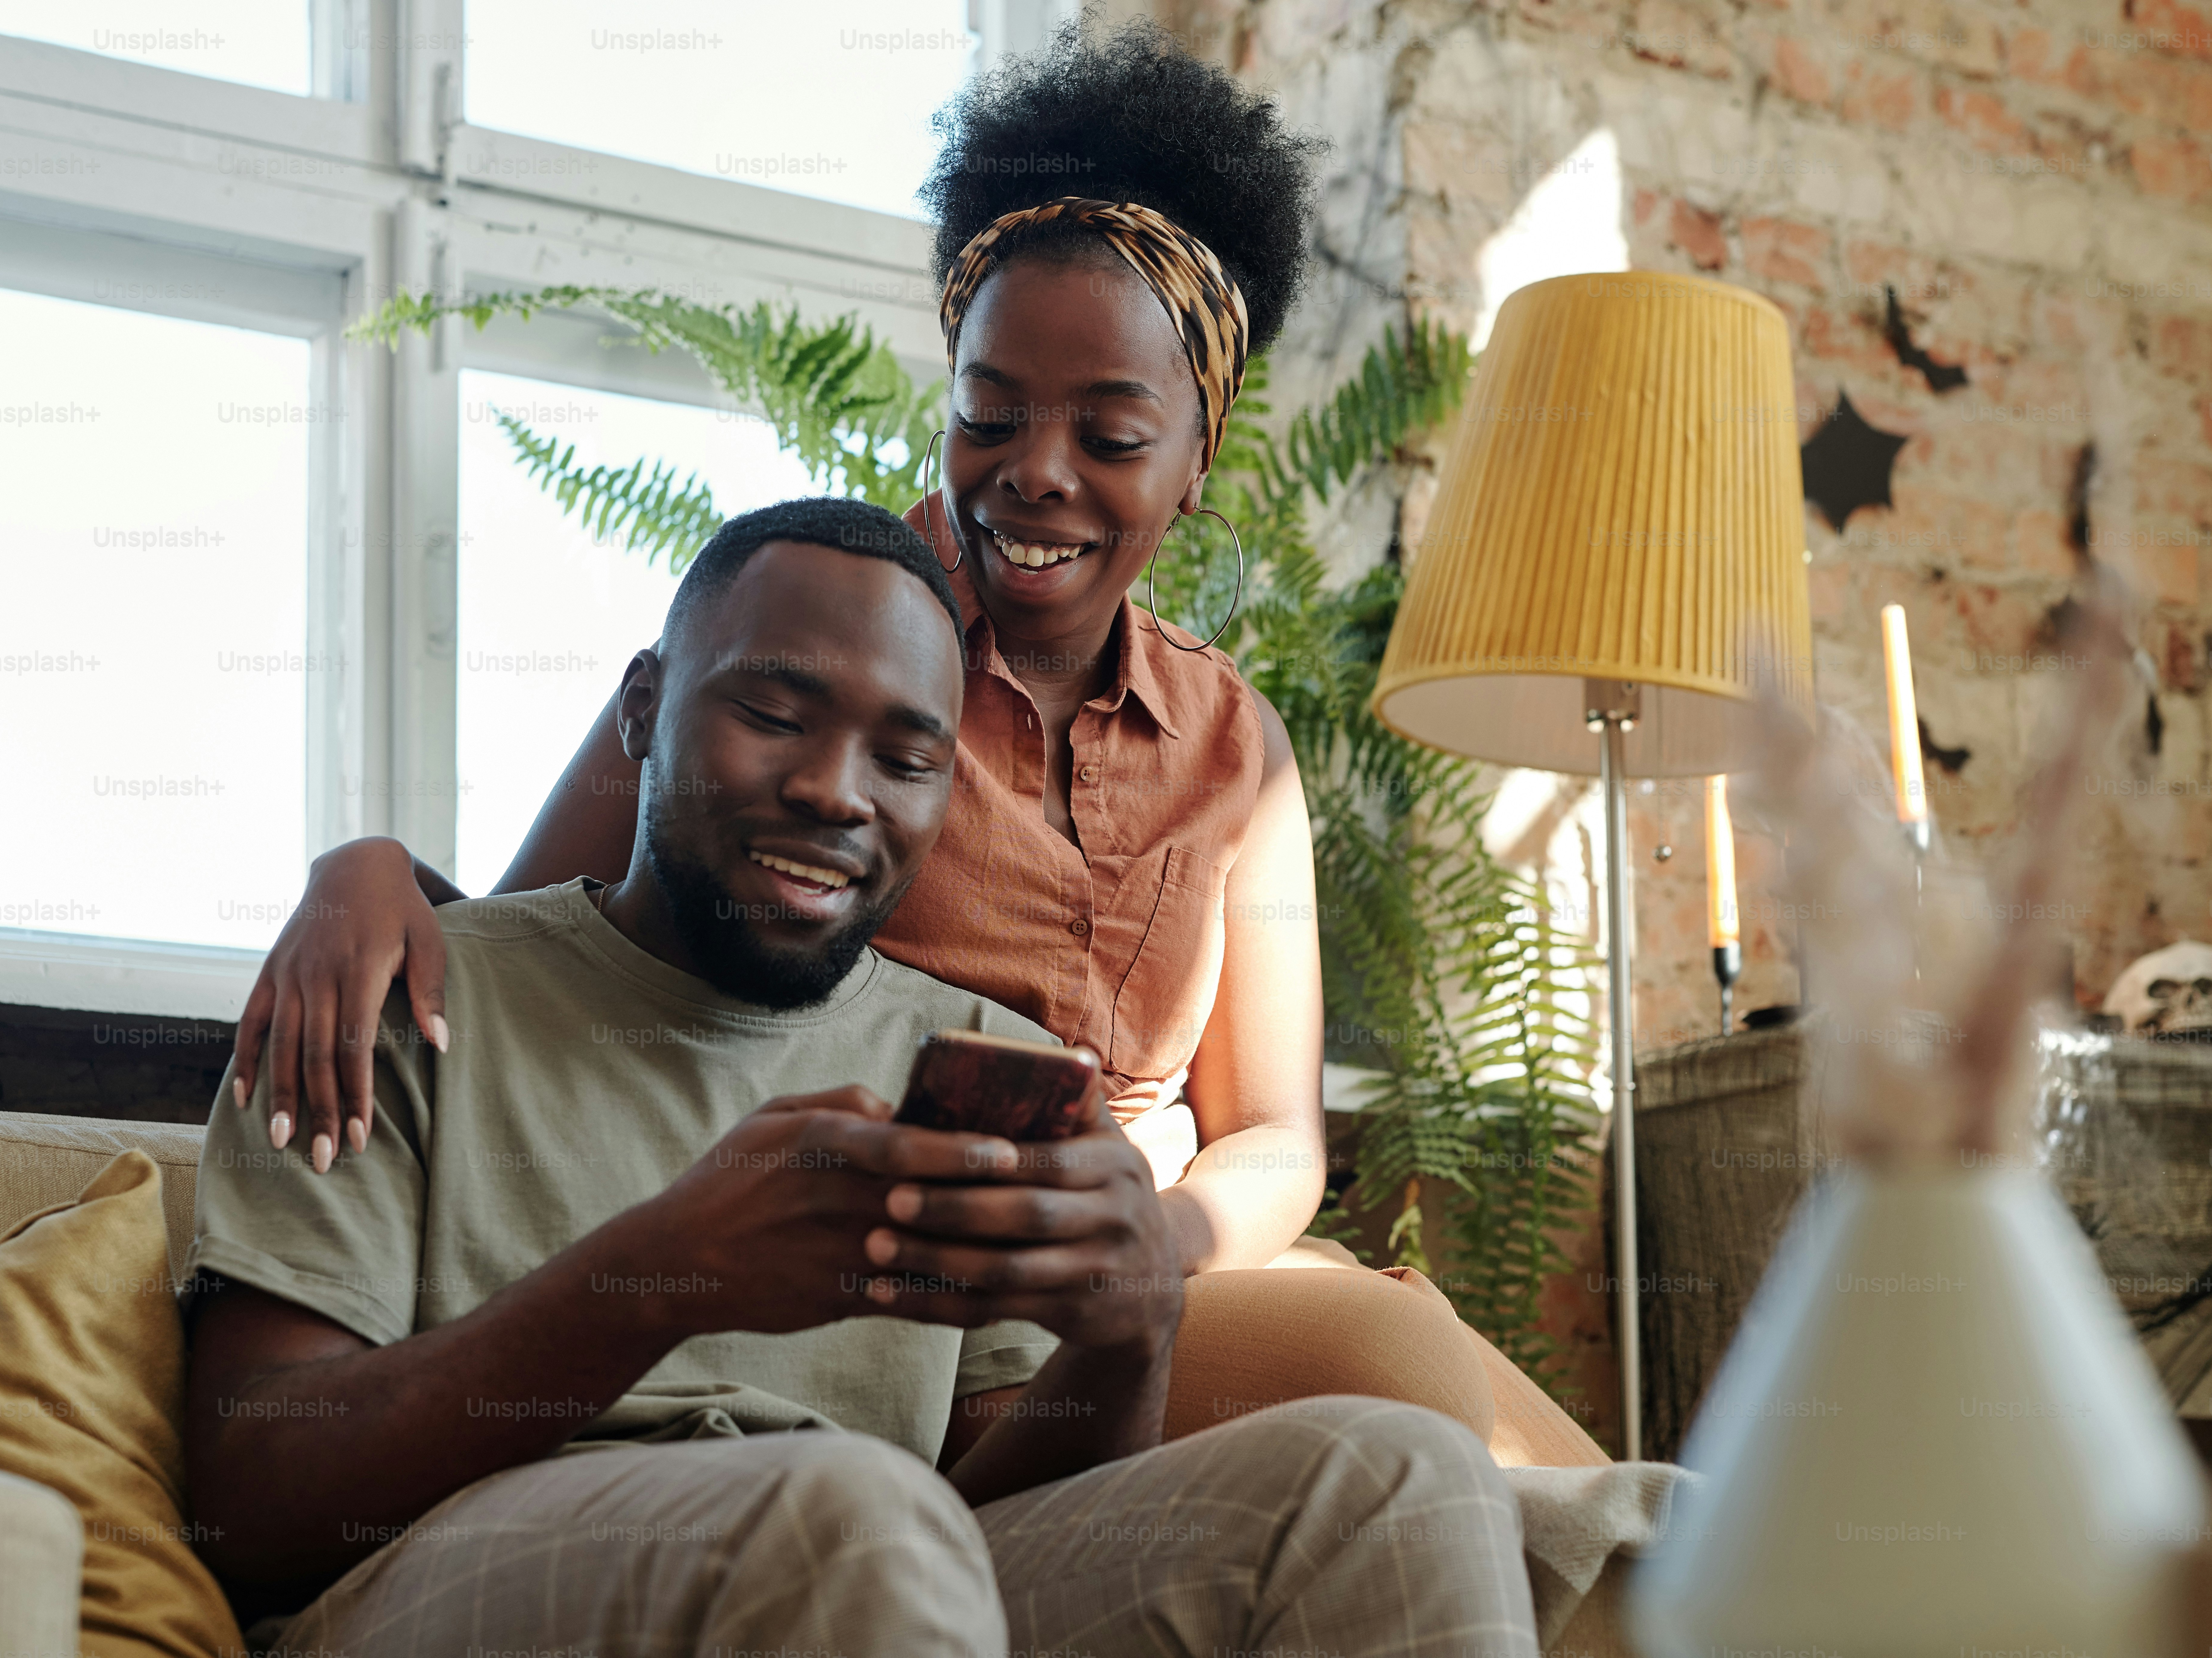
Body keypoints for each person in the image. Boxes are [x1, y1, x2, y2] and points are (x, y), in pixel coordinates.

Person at [225, 19, 1602, 1466]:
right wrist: (360, 867)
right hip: (875, 1291)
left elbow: (1274, 1136)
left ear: (1202, 454)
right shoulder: (809, 651)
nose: (1039, 471)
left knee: (1593, 1490)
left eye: (1113, 435)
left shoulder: (1238, 752)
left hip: (1132, 1280)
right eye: (990, 413)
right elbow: (546, 958)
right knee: (1406, 1378)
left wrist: (1147, 1233)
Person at [183, 499, 1540, 1658]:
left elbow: (996, 1499)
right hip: (449, 1576)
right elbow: (250, 1496)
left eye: (906, 758)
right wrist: (661, 1274)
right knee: (854, 1511)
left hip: (877, 1570)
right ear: (647, 707)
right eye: (775, 714)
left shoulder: (990, 1068)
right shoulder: (398, 991)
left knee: (1400, 1472)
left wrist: (1131, 1336)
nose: (840, 792)